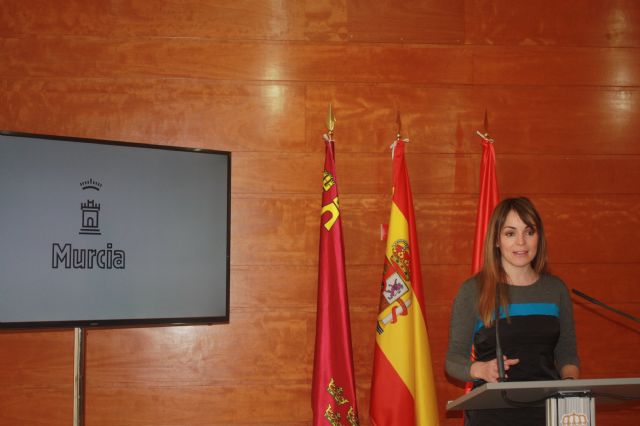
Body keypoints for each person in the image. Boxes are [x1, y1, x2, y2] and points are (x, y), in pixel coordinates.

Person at [446, 197, 580, 426]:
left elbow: (567, 355)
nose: (521, 242)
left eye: (529, 232)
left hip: (548, 413)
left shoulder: (555, 289)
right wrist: (481, 369)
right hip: (491, 415)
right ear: (496, 240)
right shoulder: (474, 290)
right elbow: (453, 360)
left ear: (539, 237)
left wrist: (569, 386)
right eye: (510, 233)